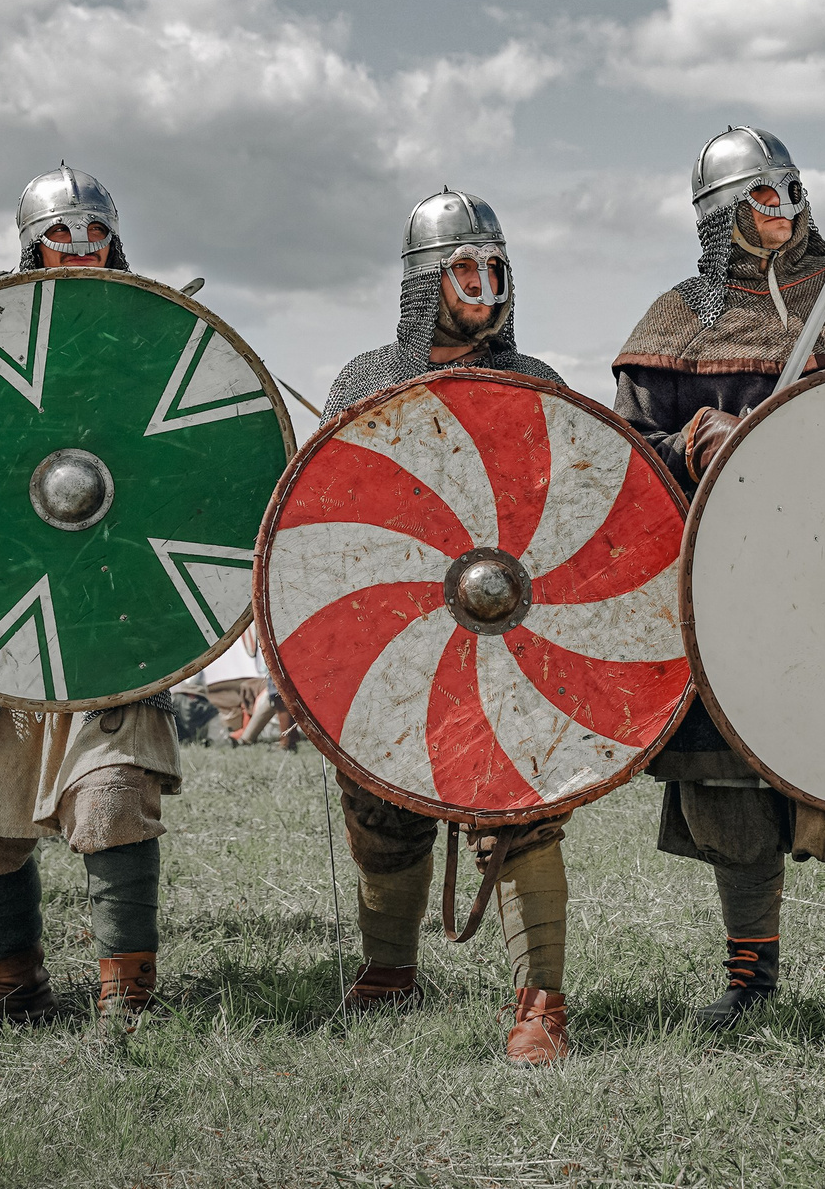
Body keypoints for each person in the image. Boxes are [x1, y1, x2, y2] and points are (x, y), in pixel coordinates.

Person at [613, 126, 825, 1036]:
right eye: (761, 198)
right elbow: (625, 463)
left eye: (791, 191)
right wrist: (692, 441)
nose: (783, 212)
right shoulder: (677, 320)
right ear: (721, 214)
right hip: (733, 593)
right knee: (734, 794)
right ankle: (750, 974)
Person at [318, 187, 577, 1065]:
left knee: (520, 809)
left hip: (512, 624)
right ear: (426, 280)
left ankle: (541, 1001)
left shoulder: (535, 385)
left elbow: (574, 515)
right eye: (465, 267)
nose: (485, 282)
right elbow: (332, 517)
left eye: (496, 266)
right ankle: (390, 967)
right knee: (381, 803)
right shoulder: (367, 381)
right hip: (398, 625)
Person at [0, 166, 181, 1027]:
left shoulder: (148, 341)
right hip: (5, 606)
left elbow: (184, 463)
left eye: (94, 232)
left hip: (114, 600)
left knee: (112, 796)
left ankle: (126, 987)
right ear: (29, 242)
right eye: (60, 234)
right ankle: (15, 980)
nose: (79, 249)